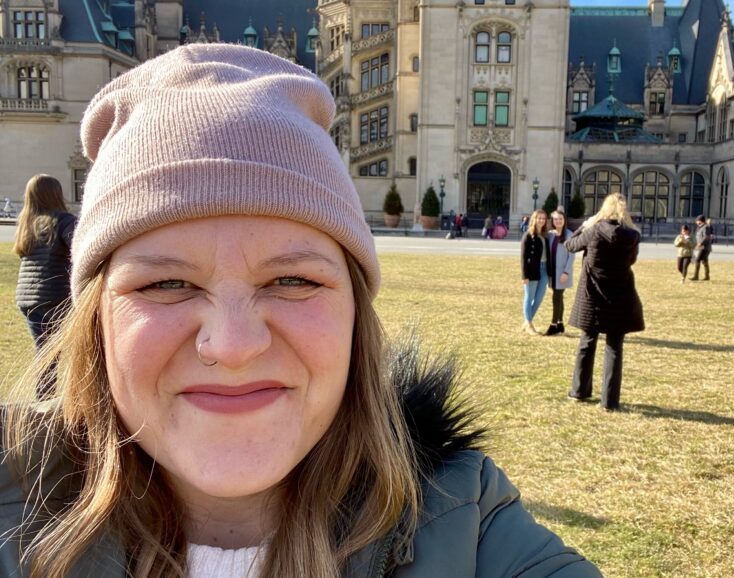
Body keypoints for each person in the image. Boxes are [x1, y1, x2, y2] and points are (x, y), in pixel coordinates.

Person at [0, 45, 602, 578]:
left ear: (355, 315)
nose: (233, 345)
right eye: (166, 283)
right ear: (95, 321)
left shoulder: (465, 521)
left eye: (291, 279)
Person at [565, 193, 644, 410]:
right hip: (620, 294)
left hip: (594, 295)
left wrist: (584, 225)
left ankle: (579, 391)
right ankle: (609, 401)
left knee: (587, 341)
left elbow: (570, 245)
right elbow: (632, 261)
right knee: (614, 347)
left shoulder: (594, 231)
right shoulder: (632, 235)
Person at [13, 174, 77, 350]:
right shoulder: (63, 221)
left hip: (28, 298)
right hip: (54, 296)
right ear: (57, 194)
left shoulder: (26, 226)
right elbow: (79, 248)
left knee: (45, 353)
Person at [544, 210, 575, 335]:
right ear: (552, 221)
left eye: (560, 219)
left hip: (562, 273)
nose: (558, 221)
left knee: (556, 297)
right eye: (555, 219)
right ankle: (560, 323)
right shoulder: (550, 234)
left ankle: (553, 325)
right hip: (552, 272)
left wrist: (566, 272)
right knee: (559, 298)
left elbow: (572, 256)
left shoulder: (569, 234)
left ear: (564, 220)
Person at [520, 209, 550, 336]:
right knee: (529, 297)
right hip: (532, 269)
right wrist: (524, 275)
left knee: (538, 298)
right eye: (539, 218)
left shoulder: (545, 235)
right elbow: (523, 256)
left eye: (544, 218)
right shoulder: (528, 235)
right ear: (534, 219)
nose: (541, 220)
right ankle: (529, 324)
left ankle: (527, 322)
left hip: (544, 269)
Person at [690, 215, 712, 281]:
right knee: (705, 261)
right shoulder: (700, 227)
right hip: (701, 247)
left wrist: (700, 243)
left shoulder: (705, 227)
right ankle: (707, 276)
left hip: (704, 247)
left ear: (700, 221)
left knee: (697, 260)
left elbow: (706, 237)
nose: (696, 222)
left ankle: (696, 276)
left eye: (697, 221)